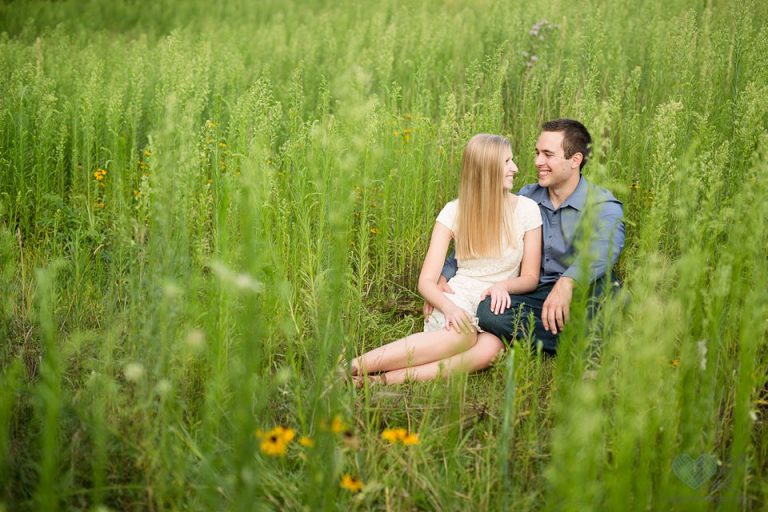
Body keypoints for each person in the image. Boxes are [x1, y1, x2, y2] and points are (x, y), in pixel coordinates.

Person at [350, 134, 543, 384]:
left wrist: (503, 285)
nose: (515, 169)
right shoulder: (454, 211)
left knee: (491, 349)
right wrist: (449, 307)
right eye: (507, 162)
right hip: (459, 297)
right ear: (486, 169)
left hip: (495, 306)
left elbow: (530, 277)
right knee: (462, 335)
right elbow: (426, 281)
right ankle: (354, 366)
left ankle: (380, 381)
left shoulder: (527, 210)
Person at [434, 119, 625, 355]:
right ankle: (580, 338)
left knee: (608, 290)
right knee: (488, 312)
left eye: (547, 154)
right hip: (535, 296)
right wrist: (443, 277)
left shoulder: (603, 205)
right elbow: (483, 240)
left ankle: (574, 334)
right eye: (537, 153)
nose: (537, 162)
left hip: (581, 291)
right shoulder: (526, 198)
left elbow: (605, 249)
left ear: (575, 160)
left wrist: (567, 282)